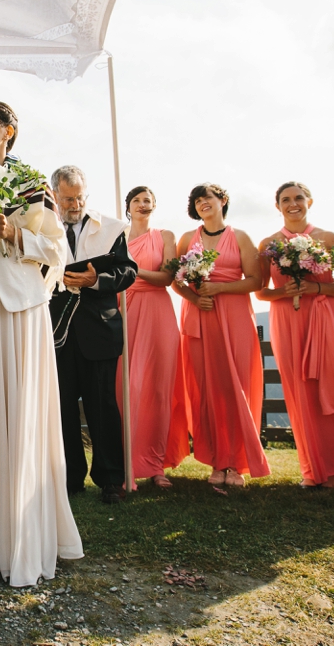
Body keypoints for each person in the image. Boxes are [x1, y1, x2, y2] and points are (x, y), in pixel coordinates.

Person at [0, 100, 83, 586]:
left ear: (8, 131)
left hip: (18, 305)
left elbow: (57, 249)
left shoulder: (29, 183)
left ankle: (22, 535)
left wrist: (14, 234)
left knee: (19, 409)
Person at [256, 182, 334, 489]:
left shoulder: (328, 238)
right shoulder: (268, 243)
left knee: (328, 390)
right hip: (288, 321)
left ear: (310, 201)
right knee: (299, 393)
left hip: (325, 319)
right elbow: (260, 291)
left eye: (298, 198)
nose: (292, 204)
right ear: (277, 205)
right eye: (285, 200)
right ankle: (312, 470)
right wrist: (284, 291)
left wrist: (317, 287)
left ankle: (332, 469)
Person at [49, 165, 138, 504]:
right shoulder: (44, 227)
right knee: (62, 410)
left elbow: (128, 270)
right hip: (56, 332)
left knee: (103, 407)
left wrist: (95, 281)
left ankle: (111, 479)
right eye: (68, 198)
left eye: (80, 197)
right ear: (55, 196)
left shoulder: (112, 227)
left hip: (99, 328)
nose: (75, 204)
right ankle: (70, 479)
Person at [172, 183, 269, 488]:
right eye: (198, 201)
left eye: (208, 198)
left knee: (236, 384)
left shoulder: (240, 237)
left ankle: (237, 463)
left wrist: (220, 288)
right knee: (206, 387)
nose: (203, 204)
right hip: (200, 314)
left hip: (235, 315)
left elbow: (256, 280)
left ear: (223, 201)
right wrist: (194, 297)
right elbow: (175, 280)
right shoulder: (187, 239)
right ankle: (217, 460)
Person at [118, 186, 187, 488]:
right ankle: (127, 465)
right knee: (127, 388)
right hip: (125, 312)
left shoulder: (166, 237)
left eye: (148, 200)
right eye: (137, 201)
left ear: (155, 206)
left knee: (158, 389)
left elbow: (167, 278)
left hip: (158, 311)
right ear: (128, 207)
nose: (143, 204)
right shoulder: (116, 238)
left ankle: (157, 465)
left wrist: (134, 271)